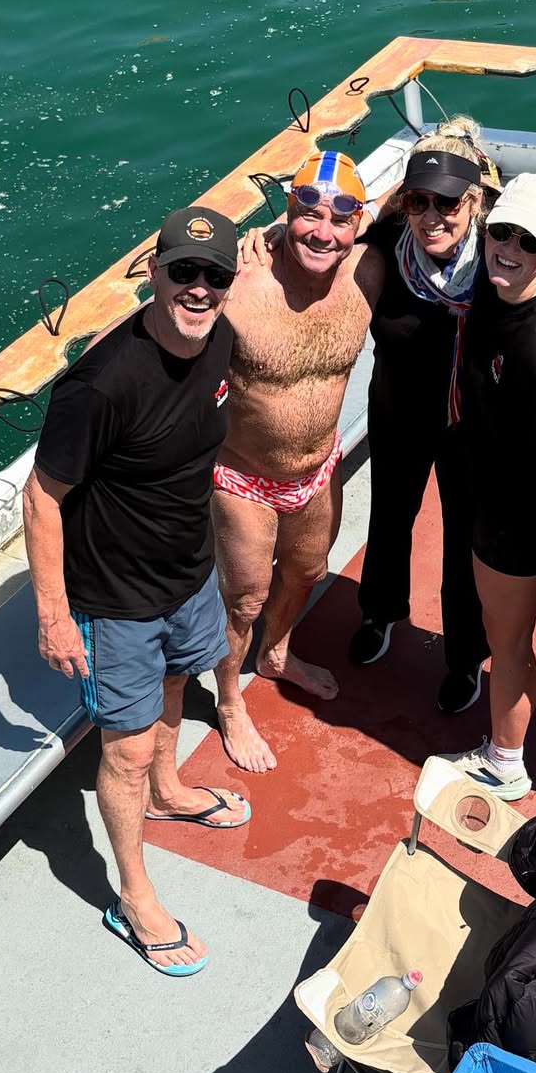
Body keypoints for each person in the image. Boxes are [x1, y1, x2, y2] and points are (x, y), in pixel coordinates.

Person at [24, 205, 250, 978]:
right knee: (120, 750)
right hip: (114, 599)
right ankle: (134, 891)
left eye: (214, 274)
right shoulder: (99, 383)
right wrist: (54, 616)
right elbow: (42, 497)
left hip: (189, 574)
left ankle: (170, 785)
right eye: (182, 271)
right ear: (151, 273)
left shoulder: (222, 339)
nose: (198, 287)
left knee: (179, 683)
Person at [212, 150, 383, 770]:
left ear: (360, 222)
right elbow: (161, 327)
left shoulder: (371, 271)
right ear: (286, 212)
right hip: (241, 476)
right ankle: (230, 699)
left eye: (339, 219)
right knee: (246, 598)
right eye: (307, 213)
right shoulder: (241, 282)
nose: (322, 231)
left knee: (309, 571)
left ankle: (276, 653)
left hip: (317, 469)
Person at [445, 173, 536, 800]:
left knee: (507, 647)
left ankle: (505, 761)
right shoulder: (499, 293)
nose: (506, 246)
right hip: (529, 513)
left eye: (526, 241)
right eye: (499, 230)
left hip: (515, 520)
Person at [350, 118, 495, 713]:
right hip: (398, 415)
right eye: (418, 200)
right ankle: (379, 611)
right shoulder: (387, 238)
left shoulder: (501, 254)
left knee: (466, 540)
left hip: (473, 429)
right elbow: (326, 237)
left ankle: (465, 656)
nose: (432, 214)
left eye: (448, 202)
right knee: (389, 516)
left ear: (477, 202)